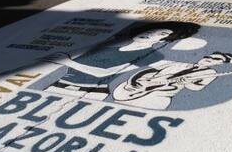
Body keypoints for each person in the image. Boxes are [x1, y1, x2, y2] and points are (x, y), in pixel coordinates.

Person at [32, 21, 200, 100]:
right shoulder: (111, 45)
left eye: (162, 33)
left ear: (167, 39)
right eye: (152, 30)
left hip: (89, 92)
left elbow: (105, 73)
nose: (152, 34)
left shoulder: (153, 55)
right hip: (57, 85)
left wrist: (67, 62)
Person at [112, 52, 232, 110]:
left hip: (160, 96)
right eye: (209, 56)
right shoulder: (177, 63)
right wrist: (134, 82)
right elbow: (148, 70)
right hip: (138, 86)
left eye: (216, 59)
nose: (209, 59)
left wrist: (186, 82)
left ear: (220, 64)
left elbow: (196, 88)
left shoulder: (209, 73)